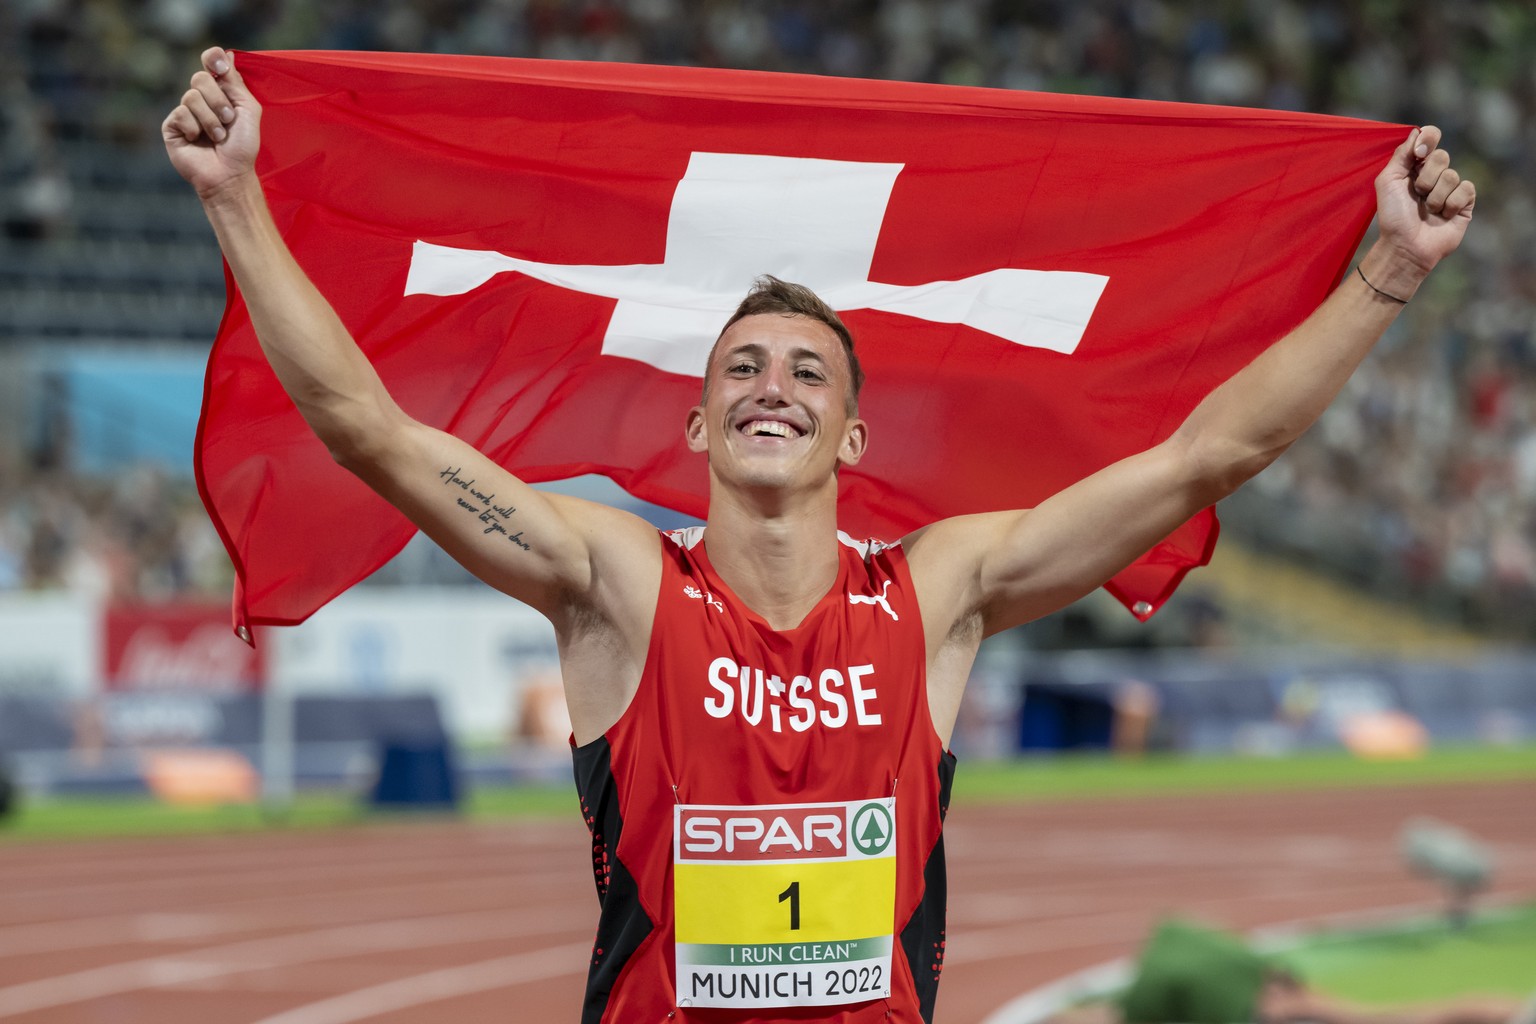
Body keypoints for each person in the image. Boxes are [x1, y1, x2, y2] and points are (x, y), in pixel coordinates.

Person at [163, 45, 1476, 1024]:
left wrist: (1387, 274)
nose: (770, 386)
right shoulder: (616, 584)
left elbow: (1209, 454)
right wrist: (232, 196)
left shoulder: (943, 591)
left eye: (805, 371)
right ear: (696, 424)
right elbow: (369, 432)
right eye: (740, 369)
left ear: (852, 437)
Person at [1048, 918, 1526, 1024]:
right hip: (1264, 993)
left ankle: (1517, 1013)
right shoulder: (1168, 963)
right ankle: (1517, 1013)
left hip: (1262, 1002)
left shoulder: (1158, 978)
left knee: (1397, 1019)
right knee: (1395, 1018)